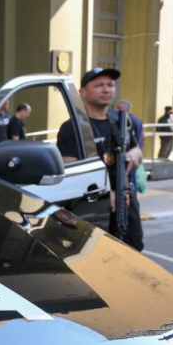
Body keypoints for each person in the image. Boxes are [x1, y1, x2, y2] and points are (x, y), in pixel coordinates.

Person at [56, 68, 144, 251]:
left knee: (132, 253)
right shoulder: (72, 127)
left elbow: (136, 149)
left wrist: (136, 154)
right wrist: (105, 192)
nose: (107, 90)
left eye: (110, 85)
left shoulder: (121, 120)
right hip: (92, 208)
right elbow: (69, 170)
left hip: (125, 199)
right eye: (99, 85)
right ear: (83, 92)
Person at [116, 100, 144, 193]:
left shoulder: (129, 121)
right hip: (135, 152)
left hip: (131, 154)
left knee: (131, 178)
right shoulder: (136, 120)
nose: (117, 110)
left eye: (119, 108)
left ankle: (133, 195)